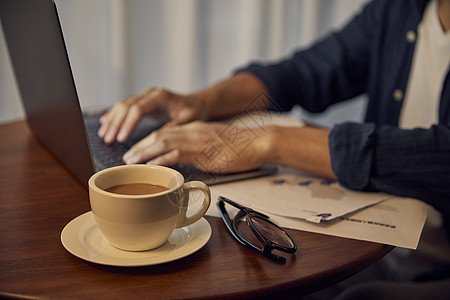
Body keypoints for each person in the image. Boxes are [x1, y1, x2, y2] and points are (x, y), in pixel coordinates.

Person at [99, 0, 450, 298]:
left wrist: (271, 141)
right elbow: (300, 74)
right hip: (383, 247)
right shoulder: (403, 8)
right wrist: (199, 102)